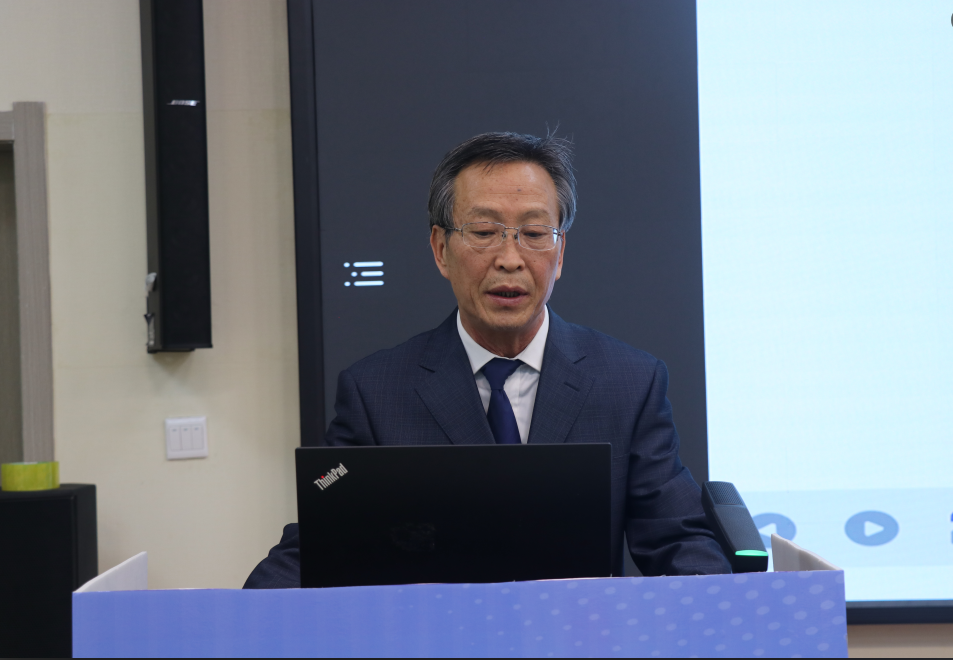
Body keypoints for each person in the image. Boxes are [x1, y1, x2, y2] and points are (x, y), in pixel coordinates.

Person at [244, 132, 730, 589]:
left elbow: (679, 539)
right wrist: (237, 617)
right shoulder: (376, 392)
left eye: (534, 232)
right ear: (440, 249)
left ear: (560, 253)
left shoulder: (629, 382)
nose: (510, 258)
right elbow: (319, 542)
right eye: (484, 231)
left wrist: (724, 608)